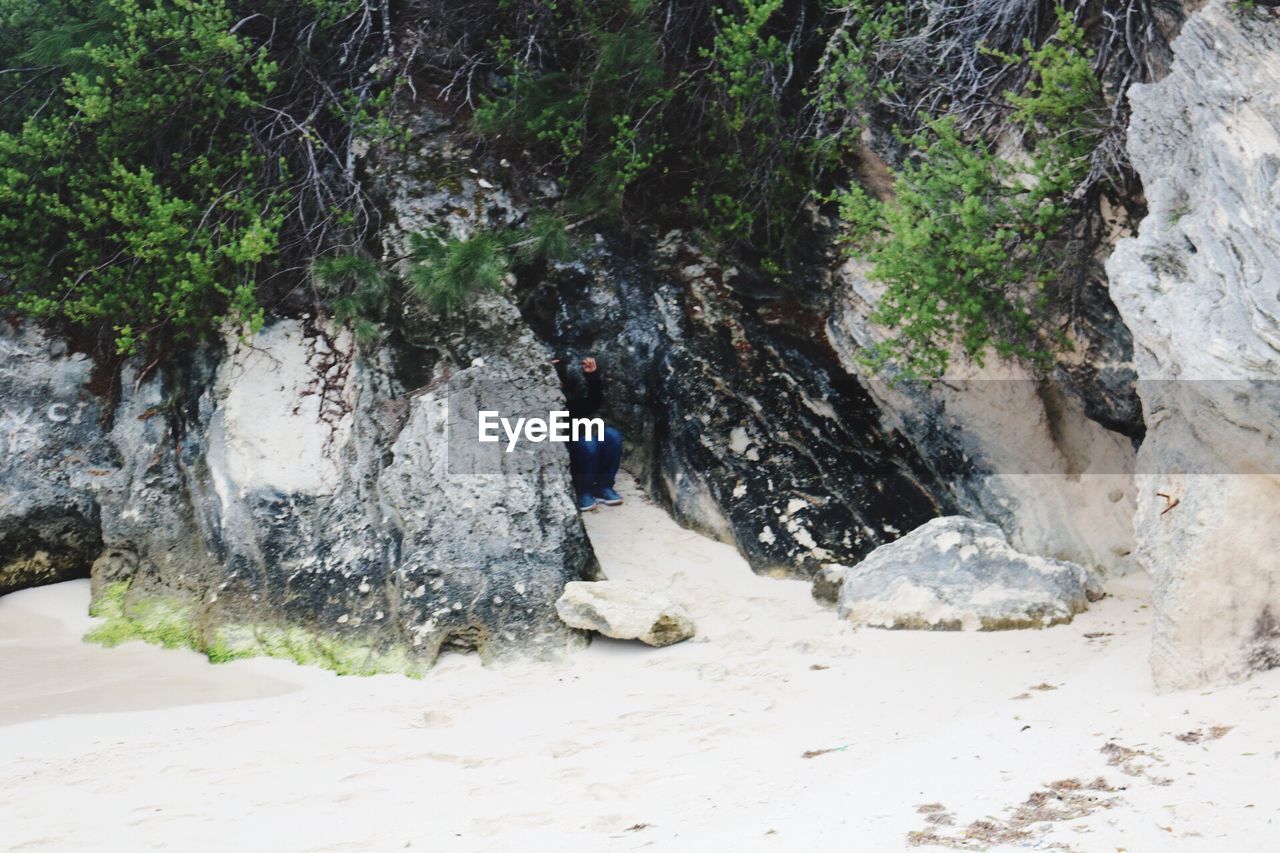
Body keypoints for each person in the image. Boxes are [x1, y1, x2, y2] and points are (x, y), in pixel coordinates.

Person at [556, 355, 623, 512]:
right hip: (565, 452)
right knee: (587, 443)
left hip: (579, 445)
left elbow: (593, 402)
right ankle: (583, 491)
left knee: (612, 435)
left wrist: (592, 375)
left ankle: (603, 487)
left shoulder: (566, 401)